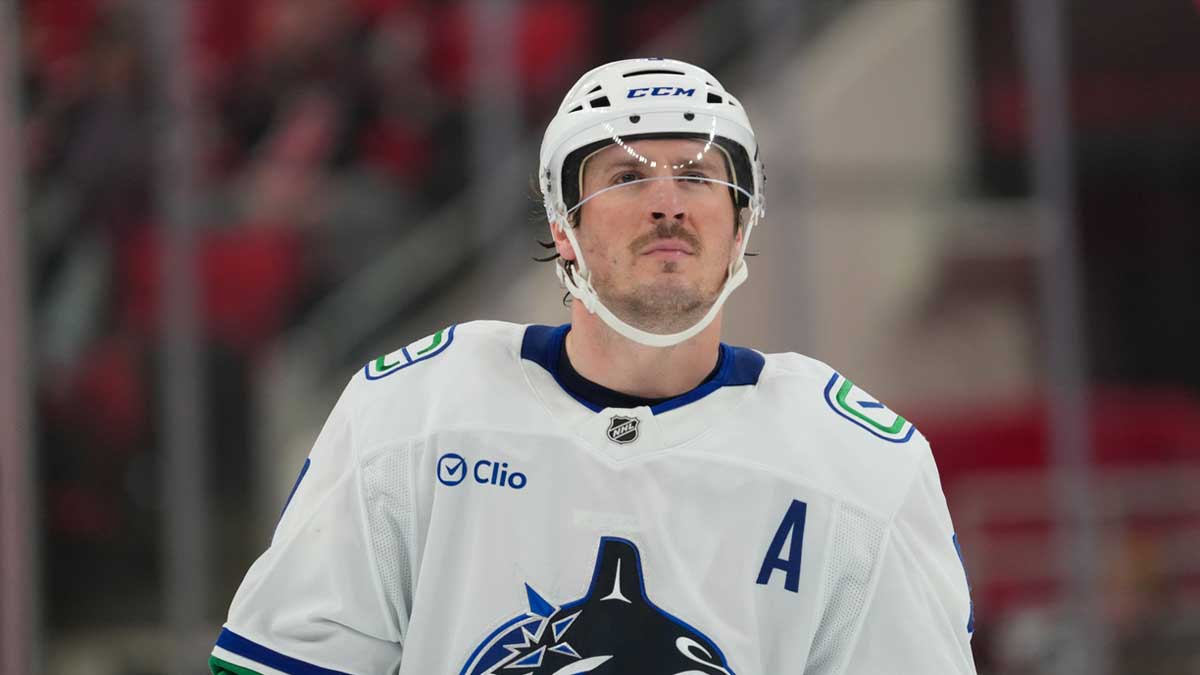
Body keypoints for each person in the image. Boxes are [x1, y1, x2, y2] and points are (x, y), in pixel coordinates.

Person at [210, 58, 978, 675]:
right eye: (627, 176)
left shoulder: (860, 467)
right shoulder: (416, 413)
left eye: (701, 174)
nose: (667, 202)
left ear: (742, 221)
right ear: (562, 224)